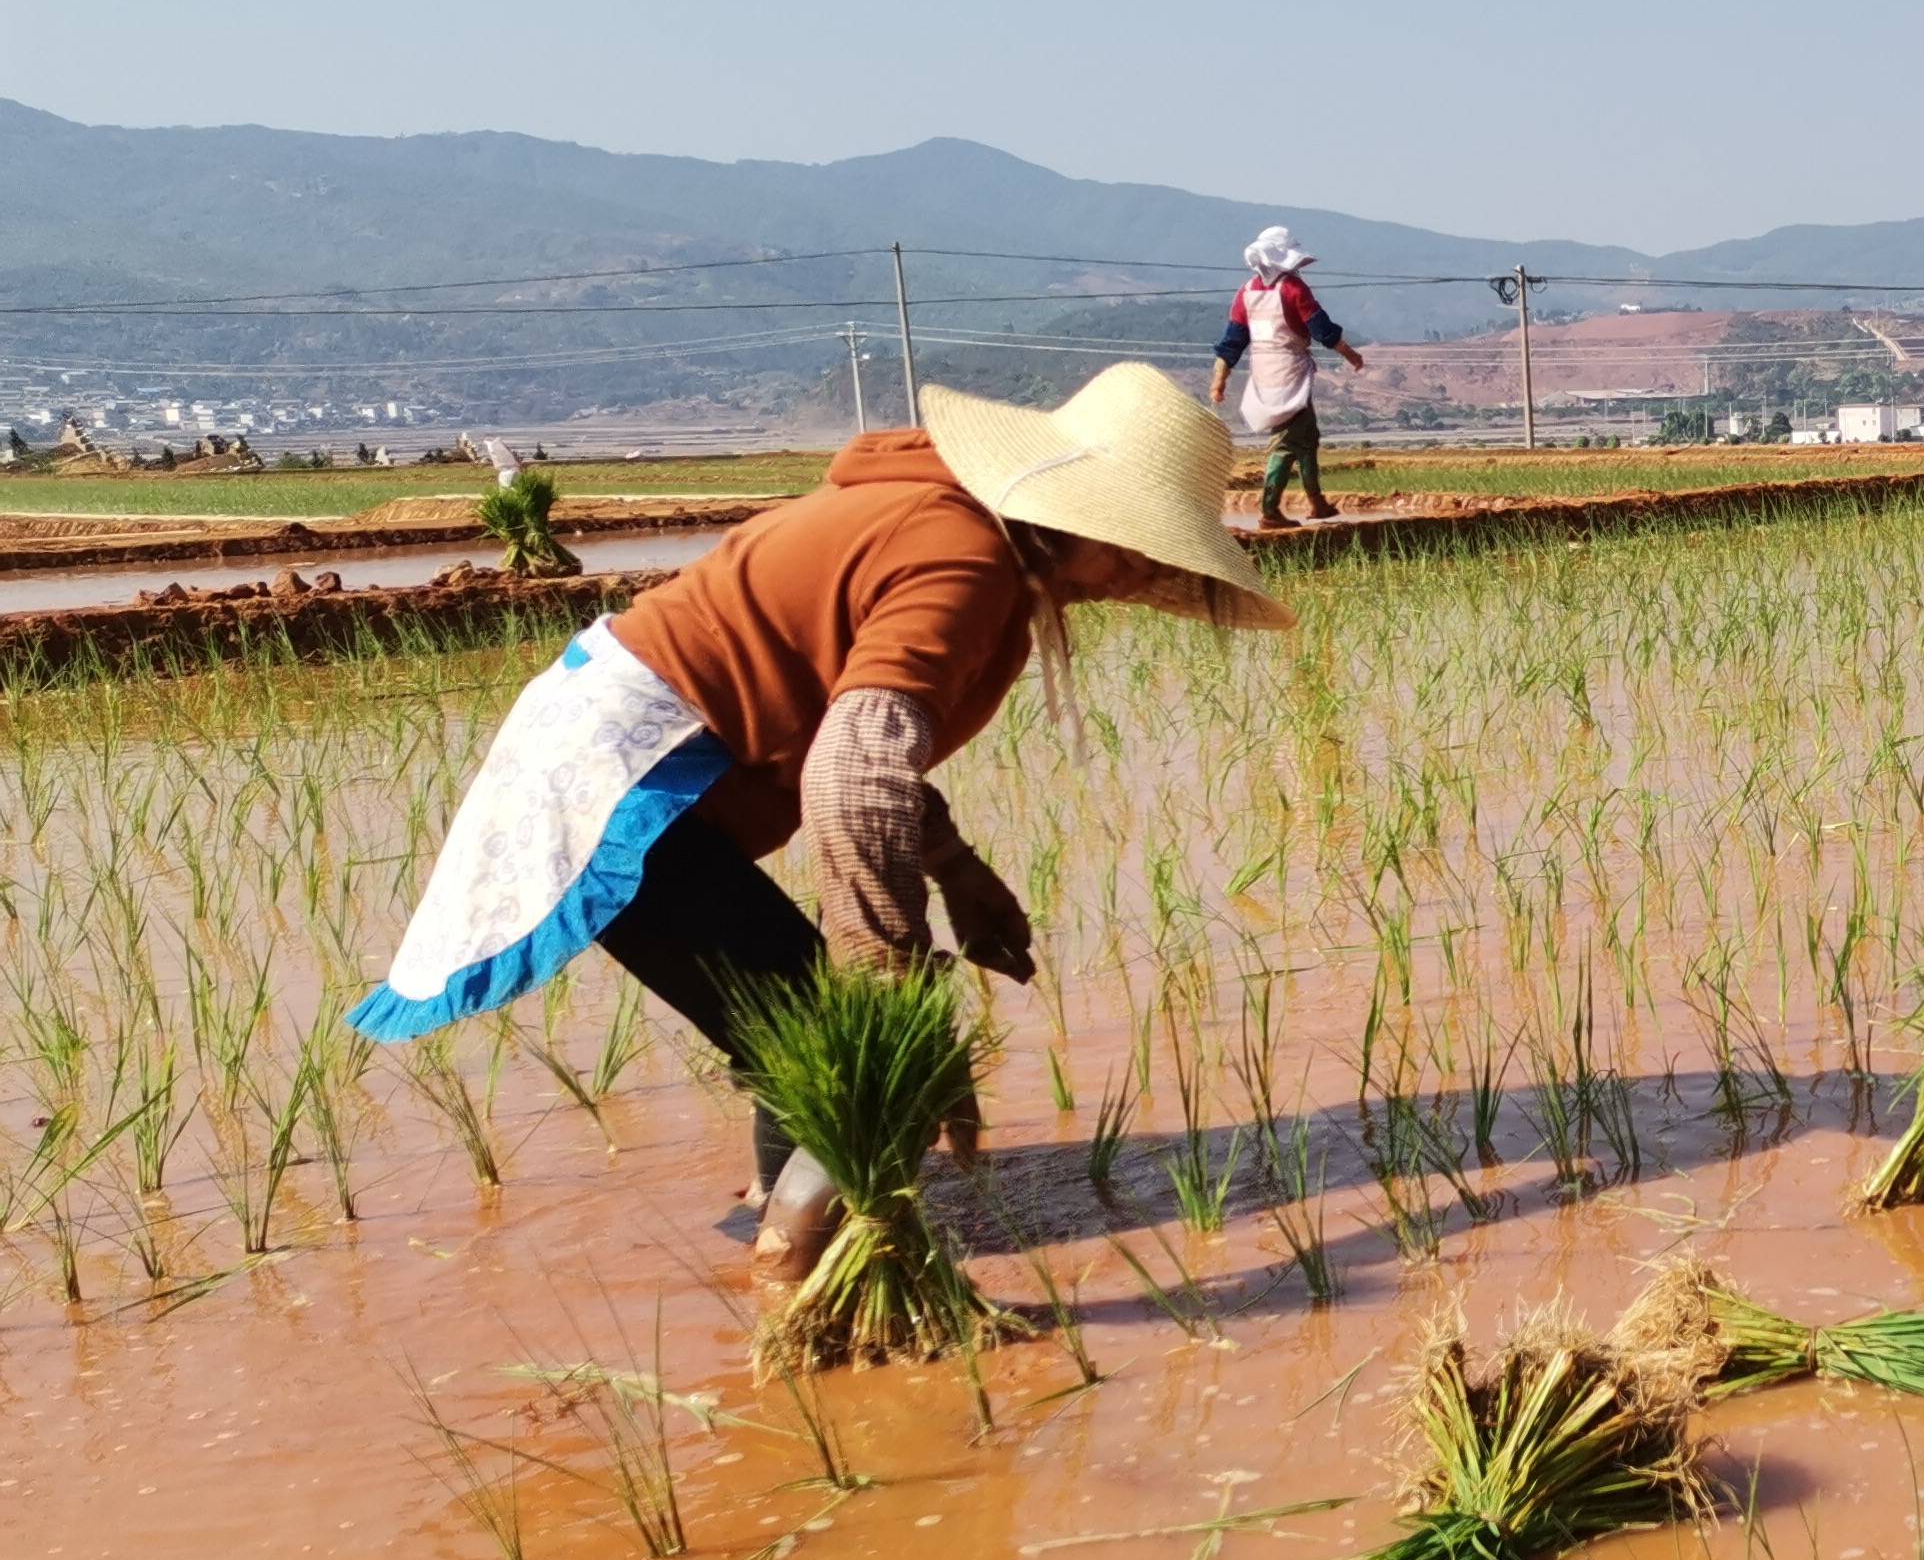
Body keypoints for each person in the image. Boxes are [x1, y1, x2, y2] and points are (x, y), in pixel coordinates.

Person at [350, 361, 1291, 1276]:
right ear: (1064, 510)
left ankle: (802, 1225)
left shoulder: (949, 531)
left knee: (796, 1029)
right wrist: (887, 988)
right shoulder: (963, 561)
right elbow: (854, 771)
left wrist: (955, 869)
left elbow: (844, 729)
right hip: (626, 786)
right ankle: (800, 1274)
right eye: (1129, 543)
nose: (1129, 574)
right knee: (832, 1040)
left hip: (631, 764)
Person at [1210, 225, 1367, 525]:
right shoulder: (1294, 289)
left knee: (1307, 436)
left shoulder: (1246, 292)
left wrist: (1219, 380)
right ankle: (1269, 510)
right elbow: (1322, 329)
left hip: (1264, 372)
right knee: (1287, 441)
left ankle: (1317, 502)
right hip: (1289, 371)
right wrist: (1351, 354)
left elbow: (1232, 341)